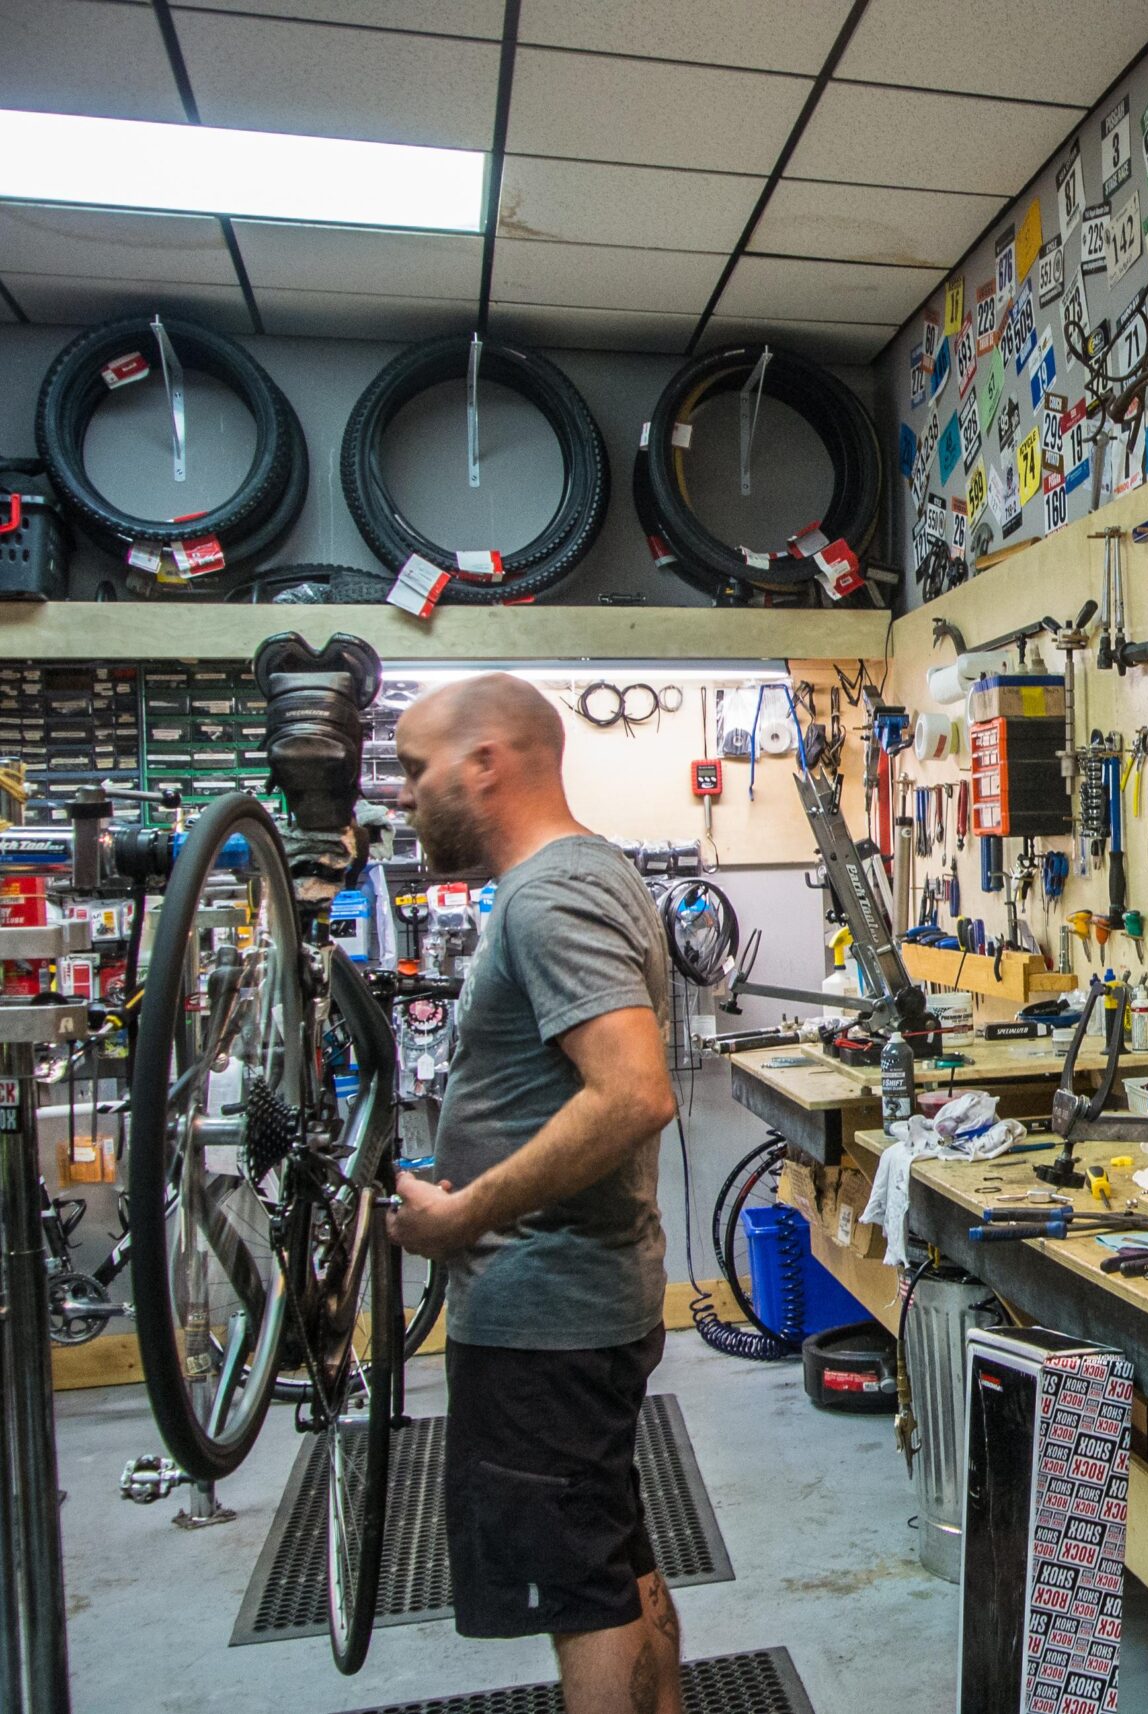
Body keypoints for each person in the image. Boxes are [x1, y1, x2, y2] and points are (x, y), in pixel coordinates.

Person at [386, 673, 682, 1714]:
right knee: (610, 1557)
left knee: (578, 1584)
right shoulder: (582, 875)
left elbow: (635, 1093)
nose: (401, 794)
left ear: (485, 763)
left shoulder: (552, 892)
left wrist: (464, 1214)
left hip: (546, 1305)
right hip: (573, 1294)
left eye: (415, 768)